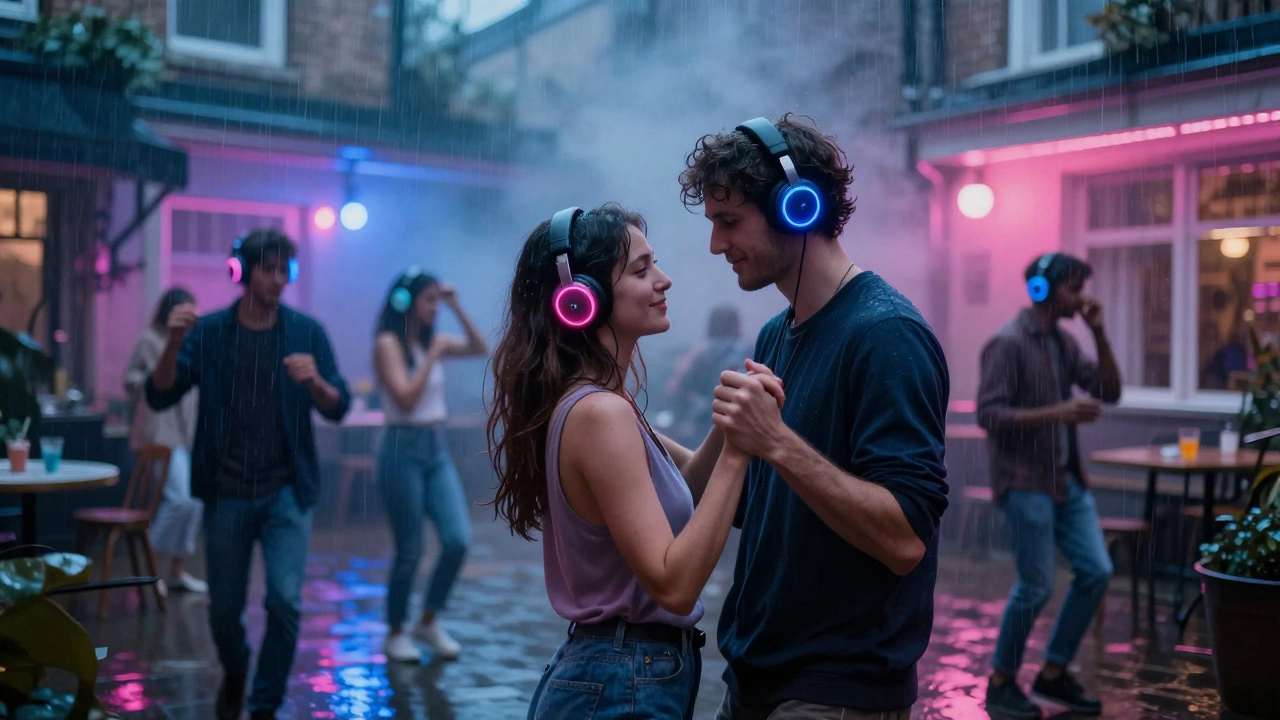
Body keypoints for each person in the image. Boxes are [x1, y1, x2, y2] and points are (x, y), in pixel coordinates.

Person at [678, 114, 950, 719]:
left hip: (835, 691)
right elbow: (755, 505)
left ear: (796, 207)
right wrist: (623, 426)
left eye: (729, 222)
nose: (716, 246)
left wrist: (775, 441)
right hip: (753, 680)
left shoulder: (886, 335)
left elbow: (905, 539)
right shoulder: (777, 334)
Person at [485, 203, 782, 719]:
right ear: (582, 299)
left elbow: (680, 491)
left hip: (619, 674)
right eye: (642, 270)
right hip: (622, 680)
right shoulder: (600, 414)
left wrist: (729, 426)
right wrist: (740, 449)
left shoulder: (602, 402)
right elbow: (673, 583)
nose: (663, 281)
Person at [146, 229, 350, 720]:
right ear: (242, 271)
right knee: (222, 610)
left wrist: (316, 381)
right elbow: (160, 394)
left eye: (286, 270)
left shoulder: (306, 331)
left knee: (284, 603)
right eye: (269, 269)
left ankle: (263, 705)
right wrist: (173, 342)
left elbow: (339, 405)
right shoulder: (212, 331)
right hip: (227, 492)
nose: (279, 280)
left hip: (286, 492)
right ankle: (236, 668)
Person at [976, 252, 1121, 719]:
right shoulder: (1007, 343)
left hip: (1066, 481)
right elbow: (989, 415)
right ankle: (1001, 683)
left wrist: (1098, 330)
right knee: (1036, 584)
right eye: (1074, 289)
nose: (1082, 298)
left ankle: (1053, 674)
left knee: (1096, 571)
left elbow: (1109, 391)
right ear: (1041, 289)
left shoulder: (1062, 342)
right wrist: (1056, 413)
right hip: (1025, 482)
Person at [374, 267, 488, 663]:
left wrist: (456, 306)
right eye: (429, 300)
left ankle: (427, 620)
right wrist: (433, 356)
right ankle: (395, 631)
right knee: (409, 550)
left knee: (457, 540)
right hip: (400, 448)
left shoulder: (432, 340)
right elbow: (405, 399)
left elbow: (479, 347)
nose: (434, 308)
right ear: (405, 302)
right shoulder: (388, 343)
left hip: (435, 447)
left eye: (437, 300)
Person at [123, 286, 207, 594]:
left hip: (188, 432)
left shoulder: (194, 343)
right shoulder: (149, 340)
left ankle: (177, 570)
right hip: (159, 432)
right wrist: (154, 383)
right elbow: (129, 380)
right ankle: (150, 566)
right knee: (178, 500)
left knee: (195, 502)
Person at [663, 305, 748, 448]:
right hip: (731, 423)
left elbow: (677, 389)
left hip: (699, 425)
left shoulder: (700, 352)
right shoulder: (744, 351)